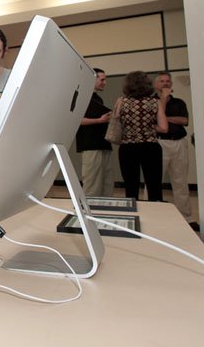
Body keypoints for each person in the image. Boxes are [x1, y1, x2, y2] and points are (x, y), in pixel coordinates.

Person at [115, 71, 168, 201]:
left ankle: (133, 215)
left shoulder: (121, 101)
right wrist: (148, 126)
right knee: (154, 185)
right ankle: (156, 215)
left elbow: (116, 123)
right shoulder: (155, 102)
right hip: (150, 147)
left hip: (128, 148)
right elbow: (164, 128)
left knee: (131, 186)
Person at [153, 72, 196, 228]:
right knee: (154, 181)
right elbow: (155, 119)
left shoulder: (179, 102)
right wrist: (163, 100)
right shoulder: (151, 101)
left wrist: (164, 117)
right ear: (155, 85)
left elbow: (184, 120)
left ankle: (187, 218)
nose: (165, 84)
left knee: (180, 181)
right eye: (162, 81)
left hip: (179, 143)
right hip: (159, 143)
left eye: (168, 81)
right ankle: (153, 215)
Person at [75, 68, 114, 197]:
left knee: (106, 183)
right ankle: (90, 214)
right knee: (92, 185)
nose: (105, 82)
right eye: (102, 79)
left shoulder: (97, 98)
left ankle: (106, 212)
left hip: (103, 144)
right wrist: (100, 120)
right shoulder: (81, 96)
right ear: (93, 79)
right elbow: (77, 120)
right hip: (90, 146)